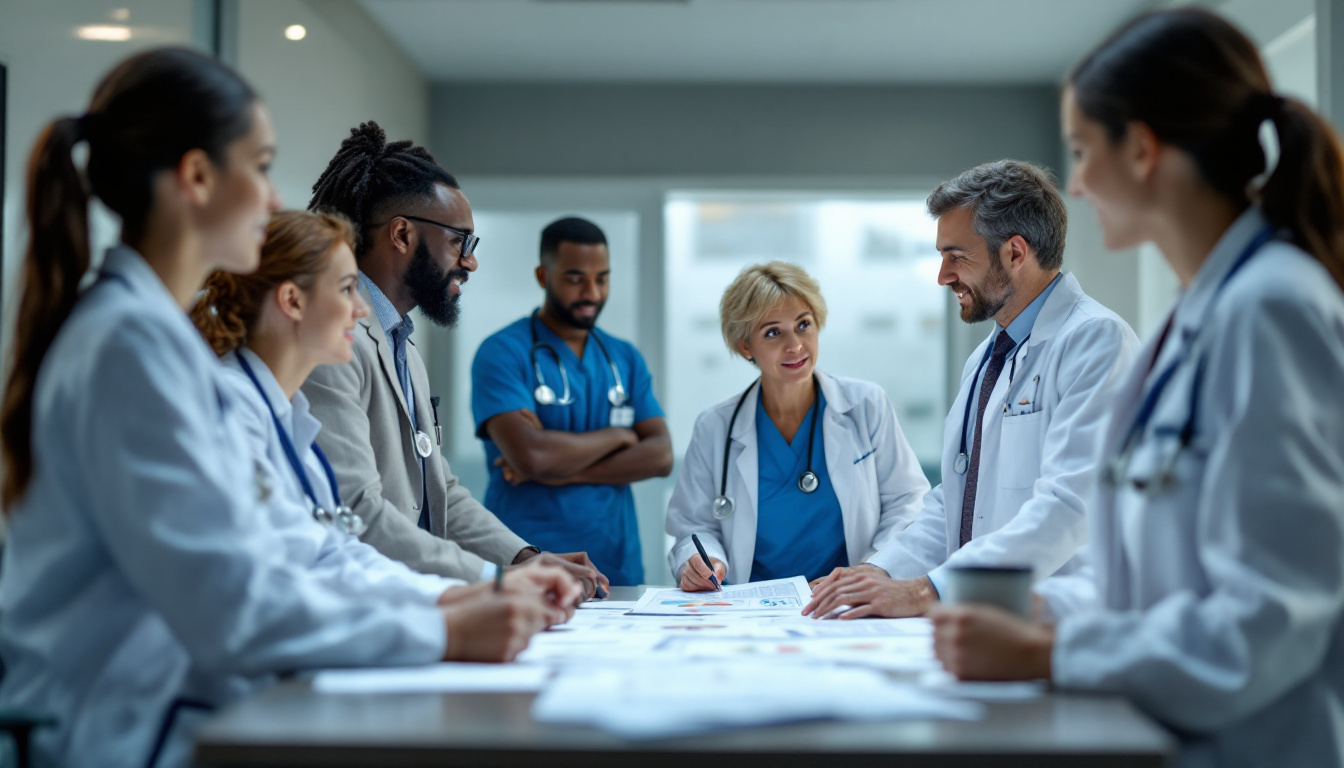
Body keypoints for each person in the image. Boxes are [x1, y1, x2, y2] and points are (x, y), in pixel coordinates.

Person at [0, 49, 575, 768]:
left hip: (193, 711)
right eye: (261, 165)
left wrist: (449, 604)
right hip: (126, 736)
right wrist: (443, 629)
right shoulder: (129, 348)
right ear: (198, 178)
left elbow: (304, 551)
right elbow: (230, 604)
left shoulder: (159, 344)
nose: (274, 200)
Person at [928, 9, 1344, 768]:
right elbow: (1148, 580)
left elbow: (1271, 618)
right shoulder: (1192, 320)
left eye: (1084, 151)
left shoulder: (1272, 309)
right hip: (1157, 732)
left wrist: (1050, 654)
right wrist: (1043, 622)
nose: (1078, 185)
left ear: (1144, 149)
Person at [191, 208, 577, 613]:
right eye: (346, 289)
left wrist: (491, 586)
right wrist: (455, 620)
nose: (361, 309)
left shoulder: (293, 417)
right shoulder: (229, 415)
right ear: (292, 300)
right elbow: (276, 585)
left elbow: (340, 556)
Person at [805, 160, 1139, 619]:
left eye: (956, 256)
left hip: (1061, 622)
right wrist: (882, 571)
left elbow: (1072, 504)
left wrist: (930, 591)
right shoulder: (986, 358)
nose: (943, 276)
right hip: (989, 619)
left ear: (1015, 253)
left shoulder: (1095, 340)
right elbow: (956, 499)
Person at [303, 123, 607, 596]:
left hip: (412, 600)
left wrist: (524, 558)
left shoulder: (400, 344)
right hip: (365, 600)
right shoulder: (334, 343)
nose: (470, 261)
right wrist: (499, 580)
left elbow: (440, 488)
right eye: (457, 242)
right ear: (401, 234)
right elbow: (358, 508)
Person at [664, 262, 929, 590]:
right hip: (748, 604)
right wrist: (703, 561)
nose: (795, 346)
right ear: (745, 346)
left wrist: (874, 568)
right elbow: (692, 525)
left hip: (842, 599)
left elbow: (908, 500)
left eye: (803, 325)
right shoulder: (715, 427)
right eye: (773, 332)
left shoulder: (865, 406)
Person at [472, 217, 672, 586]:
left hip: (616, 565)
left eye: (602, 278)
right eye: (575, 278)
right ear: (543, 276)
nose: (592, 293)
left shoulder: (623, 358)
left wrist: (561, 469)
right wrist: (619, 436)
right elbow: (532, 456)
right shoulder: (502, 353)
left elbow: (661, 456)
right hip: (530, 561)